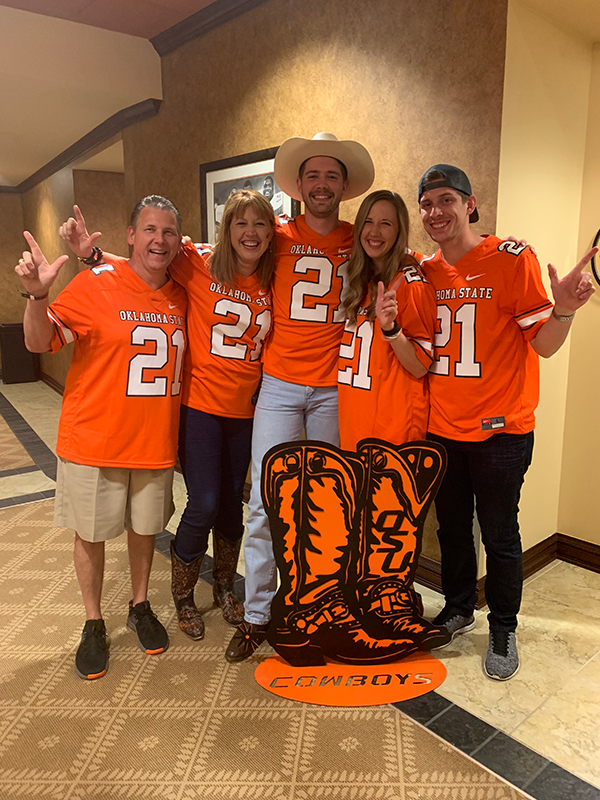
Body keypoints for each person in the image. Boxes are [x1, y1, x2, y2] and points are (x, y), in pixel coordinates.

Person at [59, 190, 276, 642]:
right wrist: (93, 256)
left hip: (247, 411)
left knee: (234, 507)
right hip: (198, 405)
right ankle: (181, 593)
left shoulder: (279, 277)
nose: (250, 233)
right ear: (225, 230)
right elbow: (144, 258)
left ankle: (223, 586)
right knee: (204, 503)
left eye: (259, 224)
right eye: (240, 223)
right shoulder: (197, 262)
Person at [417, 164, 596, 680]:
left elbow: (540, 345)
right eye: (427, 203)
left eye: (447, 200)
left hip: (501, 430)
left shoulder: (510, 259)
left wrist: (562, 311)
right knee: (451, 528)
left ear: (470, 204)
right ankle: (456, 609)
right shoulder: (425, 272)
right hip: (443, 427)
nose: (436, 212)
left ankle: (503, 626)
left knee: (499, 533)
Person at [15, 195, 187, 680]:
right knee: (90, 534)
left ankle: (138, 605)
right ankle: (93, 621)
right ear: (130, 235)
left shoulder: (182, 291)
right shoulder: (95, 284)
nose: (160, 240)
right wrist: (35, 295)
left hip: (154, 442)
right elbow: (38, 341)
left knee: (145, 530)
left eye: (169, 231)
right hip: (94, 439)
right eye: (149, 230)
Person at [225, 132, 375, 663]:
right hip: (281, 387)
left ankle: (321, 607)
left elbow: (408, 259)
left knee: (330, 505)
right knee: (265, 501)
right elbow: (208, 254)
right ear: (299, 183)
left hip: (336, 389)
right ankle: (257, 614)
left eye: (331, 176)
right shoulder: (276, 236)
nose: (321, 184)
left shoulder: (361, 238)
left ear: (344, 185)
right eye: (312, 175)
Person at [338, 189, 435, 449]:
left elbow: (419, 366)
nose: (375, 232)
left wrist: (391, 329)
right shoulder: (359, 280)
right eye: (368, 222)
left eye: (385, 224)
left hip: (393, 431)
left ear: (399, 231)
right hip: (355, 424)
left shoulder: (410, 284)